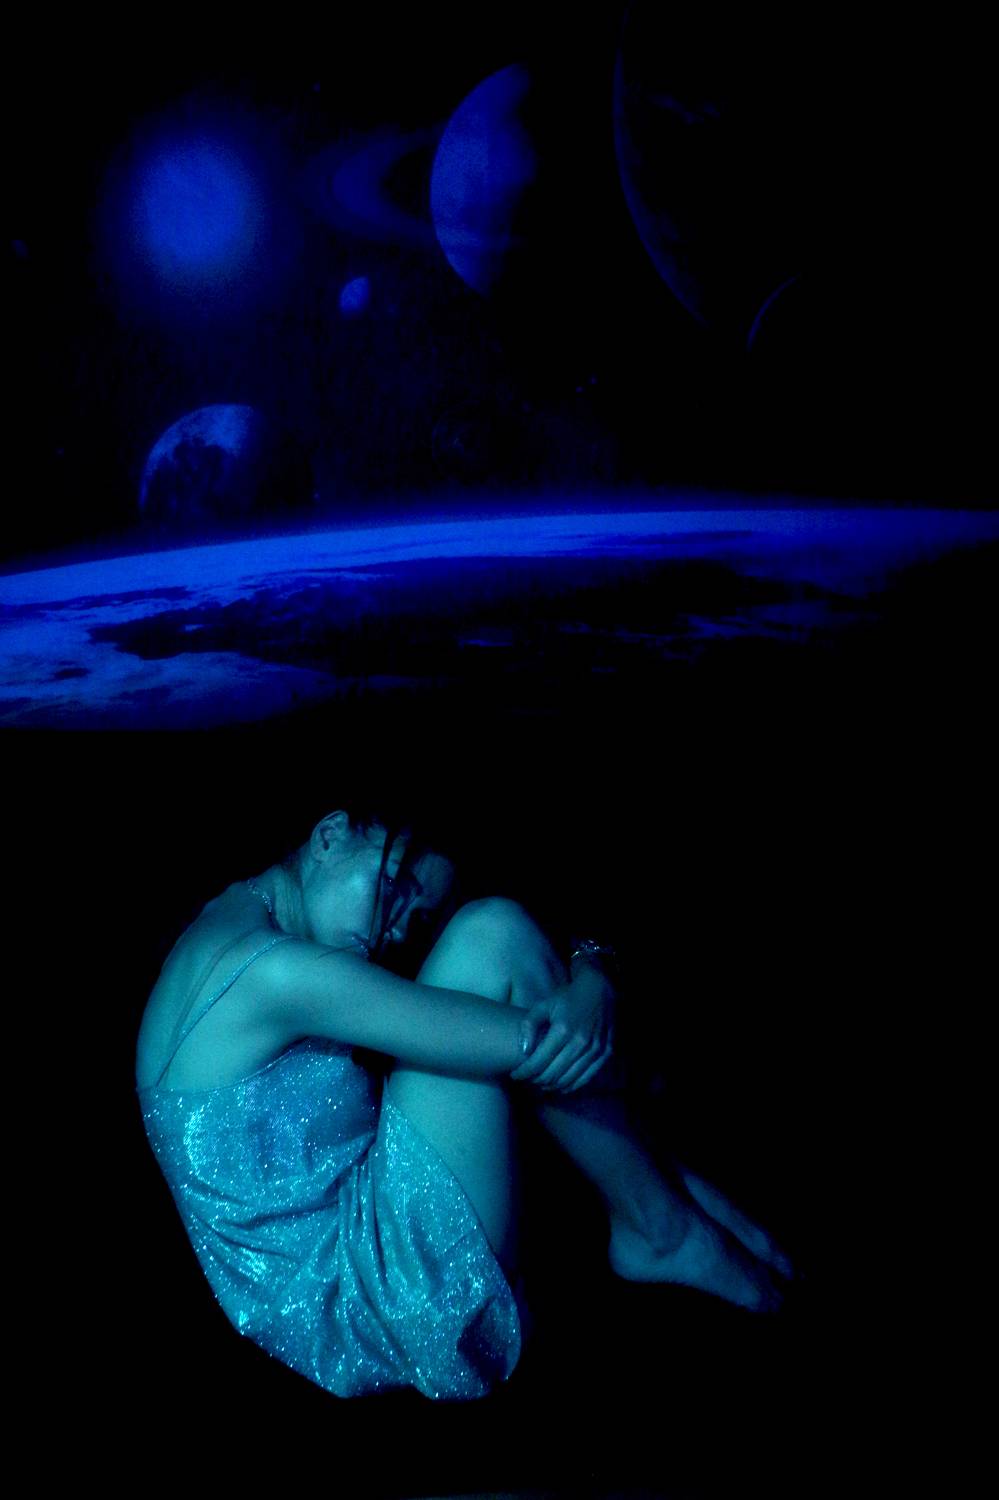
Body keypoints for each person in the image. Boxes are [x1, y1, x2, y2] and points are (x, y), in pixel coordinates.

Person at [136, 807, 793, 1401]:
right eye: (394, 890)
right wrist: (595, 972)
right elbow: (543, 1045)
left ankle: (660, 1208)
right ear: (329, 835)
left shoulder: (227, 920)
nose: (393, 930)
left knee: (496, 952)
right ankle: (661, 1224)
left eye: (411, 919)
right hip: (372, 1302)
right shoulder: (277, 972)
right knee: (493, 935)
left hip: (344, 1250)